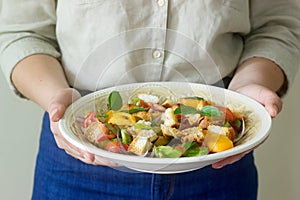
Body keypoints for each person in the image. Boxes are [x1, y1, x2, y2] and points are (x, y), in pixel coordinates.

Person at [1, 0, 300, 199]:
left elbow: (276, 25)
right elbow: (23, 31)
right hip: (78, 160)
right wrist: (55, 97)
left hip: (217, 163)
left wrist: (251, 84)